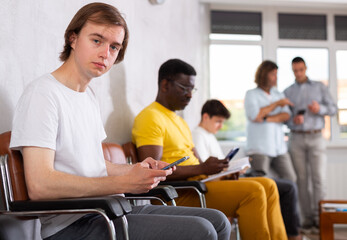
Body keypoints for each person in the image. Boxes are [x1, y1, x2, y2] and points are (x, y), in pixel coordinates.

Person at [9, 3, 231, 240]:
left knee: (218, 221)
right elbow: (40, 185)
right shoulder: (42, 94)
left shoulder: (88, 97)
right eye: (97, 40)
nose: (106, 53)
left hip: (109, 209)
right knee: (202, 231)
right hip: (74, 223)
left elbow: (95, 164)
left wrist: (137, 170)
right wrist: (122, 183)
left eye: (114, 46)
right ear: (73, 38)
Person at [132, 58, 288, 240]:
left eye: (192, 89)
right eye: (185, 88)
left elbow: (198, 163)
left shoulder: (179, 121)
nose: (190, 95)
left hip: (197, 185)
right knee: (253, 192)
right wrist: (202, 169)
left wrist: (221, 172)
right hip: (180, 192)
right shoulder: (150, 117)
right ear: (165, 85)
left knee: (268, 184)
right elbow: (153, 172)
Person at [193, 99, 302, 240]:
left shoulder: (209, 135)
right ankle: (293, 235)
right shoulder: (198, 135)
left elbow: (217, 165)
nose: (220, 126)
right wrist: (230, 170)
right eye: (218, 121)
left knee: (274, 185)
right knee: (281, 187)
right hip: (218, 183)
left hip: (228, 178)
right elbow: (205, 169)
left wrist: (235, 167)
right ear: (206, 117)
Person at [284, 57, 337, 233]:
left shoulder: (320, 87)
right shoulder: (288, 91)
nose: (298, 73)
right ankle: (306, 220)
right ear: (292, 70)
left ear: (306, 68)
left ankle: (319, 218)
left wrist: (319, 109)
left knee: (318, 179)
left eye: (301, 69)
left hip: (316, 137)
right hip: (296, 138)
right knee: (301, 179)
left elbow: (333, 109)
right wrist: (293, 119)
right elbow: (284, 118)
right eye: (295, 70)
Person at [244, 60, 296, 183]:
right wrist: (277, 104)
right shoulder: (251, 94)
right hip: (259, 149)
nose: (275, 78)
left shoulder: (278, 93)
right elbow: (255, 115)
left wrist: (266, 118)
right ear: (264, 74)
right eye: (273, 74)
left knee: (291, 179)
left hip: (279, 148)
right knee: (262, 182)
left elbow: (286, 115)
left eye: (276, 74)